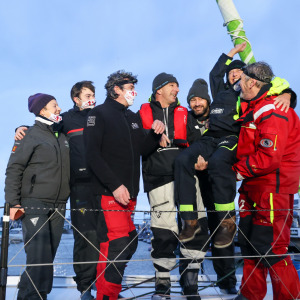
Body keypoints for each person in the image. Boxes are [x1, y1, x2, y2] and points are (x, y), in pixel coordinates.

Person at [175, 42, 295, 251]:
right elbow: (215, 73)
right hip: (210, 137)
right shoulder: (220, 90)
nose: (235, 75)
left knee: (218, 163)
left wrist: (288, 94)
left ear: (247, 79)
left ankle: (227, 222)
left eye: (240, 72)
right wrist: (231, 53)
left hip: (230, 138)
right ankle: (189, 221)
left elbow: (270, 84)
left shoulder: (246, 95)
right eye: (231, 72)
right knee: (182, 160)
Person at [83, 70, 165, 300]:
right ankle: (106, 296)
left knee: (126, 242)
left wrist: (155, 134)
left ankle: (108, 292)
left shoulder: (132, 117)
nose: (133, 92)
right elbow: (92, 155)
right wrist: (115, 185)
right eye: (129, 88)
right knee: (117, 244)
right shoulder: (98, 114)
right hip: (109, 191)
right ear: (116, 89)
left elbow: (141, 148)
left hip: (130, 193)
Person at [15, 81, 99, 300]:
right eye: (87, 94)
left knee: (48, 254)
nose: (92, 98)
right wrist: (20, 128)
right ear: (76, 98)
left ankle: (30, 293)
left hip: (83, 193)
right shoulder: (64, 123)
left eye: (94, 94)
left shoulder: (96, 119)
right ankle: (39, 295)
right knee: (43, 253)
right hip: (55, 195)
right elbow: (39, 131)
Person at [232, 62, 300, 300]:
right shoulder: (254, 107)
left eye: (241, 79)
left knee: (272, 248)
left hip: (272, 189)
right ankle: (250, 294)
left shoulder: (272, 110)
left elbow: (269, 157)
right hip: (253, 188)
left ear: (251, 82)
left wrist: (236, 172)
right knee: (250, 245)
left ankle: (288, 296)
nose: (237, 84)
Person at [139, 73, 209, 300]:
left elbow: (199, 140)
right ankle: (162, 283)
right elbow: (131, 139)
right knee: (163, 230)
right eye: (172, 86)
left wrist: (200, 155)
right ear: (159, 89)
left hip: (188, 176)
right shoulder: (140, 115)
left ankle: (190, 281)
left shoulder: (185, 115)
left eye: (178, 86)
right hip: (158, 178)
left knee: (195, 224)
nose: (177, 90)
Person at [5, 93, 70, 300]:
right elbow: (13, 169)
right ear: (42, 110)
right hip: (34, 202)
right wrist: (13, 203)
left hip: (59, 203)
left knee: (47, 256)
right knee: (38, 254)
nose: (59, 108)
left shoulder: (60, 134)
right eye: (54, 105)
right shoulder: (29, 135)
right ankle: (34, 296)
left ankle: (31, 294)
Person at [181, 78, 238, 294]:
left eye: (200, 99)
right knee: (194, 234)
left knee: (223, 234)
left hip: (217, 185)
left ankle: (227, 280)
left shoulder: (219, 118)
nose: (196, 104)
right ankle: (189, 283)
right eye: (192, 100)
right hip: (194, 185)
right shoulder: (186, 120)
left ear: (208, 100)